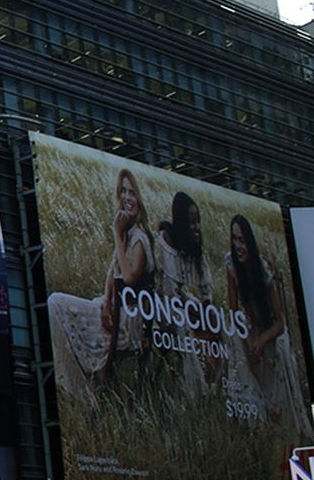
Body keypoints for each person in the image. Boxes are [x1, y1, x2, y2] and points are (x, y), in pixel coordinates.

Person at [47, 167, 153, 405]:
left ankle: (83, 393)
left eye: (132, 192)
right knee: (55, 306)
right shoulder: (128, 233)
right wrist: (106, 301)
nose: (127, 197)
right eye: (123, 191)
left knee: (55, 304)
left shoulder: (139, 239)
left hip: (129, 322)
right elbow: (113, 272)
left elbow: (128, 278)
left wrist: (116, 233)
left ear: (140, 198)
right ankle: (84, 386)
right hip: (113, 309)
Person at [222, 214, 314, 440]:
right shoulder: (231, 264)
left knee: (280, 353)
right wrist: (248, 340)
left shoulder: (262, 270)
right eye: (234, 239)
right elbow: (233, 311)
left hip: (271, 334)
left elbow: (280, 323)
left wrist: (262, 340)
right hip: (250, 329)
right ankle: (254, 424)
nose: (238, 245)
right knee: (232, 337)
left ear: (249, 242)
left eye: (242, 240)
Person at [154, 191, 214, 399]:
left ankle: (218, 385)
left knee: (223, 328)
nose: (196, 228)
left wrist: (204, 311)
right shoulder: (163, 245)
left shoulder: (195, 251)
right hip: (163, 312)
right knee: (182, 329)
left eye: (197, 222)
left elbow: (205, 294)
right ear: (180, 222)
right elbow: (164, 292)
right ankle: (196, 393)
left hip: (188, 309)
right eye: (191, 222)